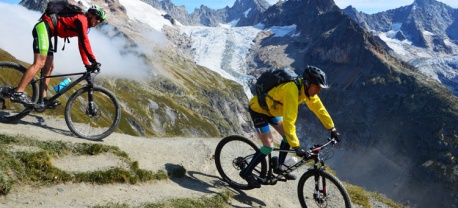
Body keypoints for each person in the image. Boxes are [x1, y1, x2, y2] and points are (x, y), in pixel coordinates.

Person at [240, 66, 341, 188]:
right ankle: (246, 172)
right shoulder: (292, 89)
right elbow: (289, 121)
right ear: (308, 83)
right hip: (259, 110)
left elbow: (320, 109)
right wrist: (296, 146)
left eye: (320, 88)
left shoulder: (306, 92)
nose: (318, 91)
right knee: (268, 147)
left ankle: (280, 168)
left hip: (272, 112)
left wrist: (332, 128)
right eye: (317, 87)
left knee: (287, 137)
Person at [11, 5, 106, 106]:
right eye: (97, 18)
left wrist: (87, 64)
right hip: (43, 28)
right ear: (90, 14)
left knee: (50, 67)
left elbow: (81, 45)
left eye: (101, 20)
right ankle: (18, 92)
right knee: (39, 63)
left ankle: (42, 99)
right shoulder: (82, 19)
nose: (98, 21)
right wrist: (94, 61)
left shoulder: (85, 26)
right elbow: (85, 41)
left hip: (49, 33)